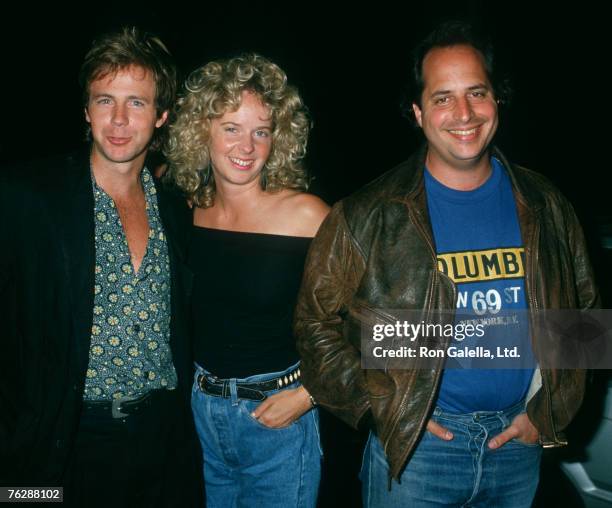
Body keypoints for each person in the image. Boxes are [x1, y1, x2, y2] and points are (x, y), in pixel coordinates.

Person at [294, 20, 599, 507]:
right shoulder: (368, 214)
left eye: (477, 92)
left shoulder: (546, 203)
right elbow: (315, 326)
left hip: (517, 447)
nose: (463, 113)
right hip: (420, 451)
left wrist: (549, 411)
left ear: (497, 100)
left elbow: (584, 310)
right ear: (417, 112)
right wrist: (382, 406)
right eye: (442, 97)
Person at [0, 27, 202, 507]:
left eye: (136, 103)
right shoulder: (29, 197)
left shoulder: (177, 207)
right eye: (104, 100)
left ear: (162, 115)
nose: (118, 119)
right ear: (86, 109)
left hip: (161, 441)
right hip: (58, 443)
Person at [165, 53, 329, 507]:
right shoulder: (187, 210)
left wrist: (311, 394)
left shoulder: (307, 215)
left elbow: (369, 316)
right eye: (231, 128)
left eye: (262, 131)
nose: (248, 145)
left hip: (276, 420)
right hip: (200, 415)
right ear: (203, 133)